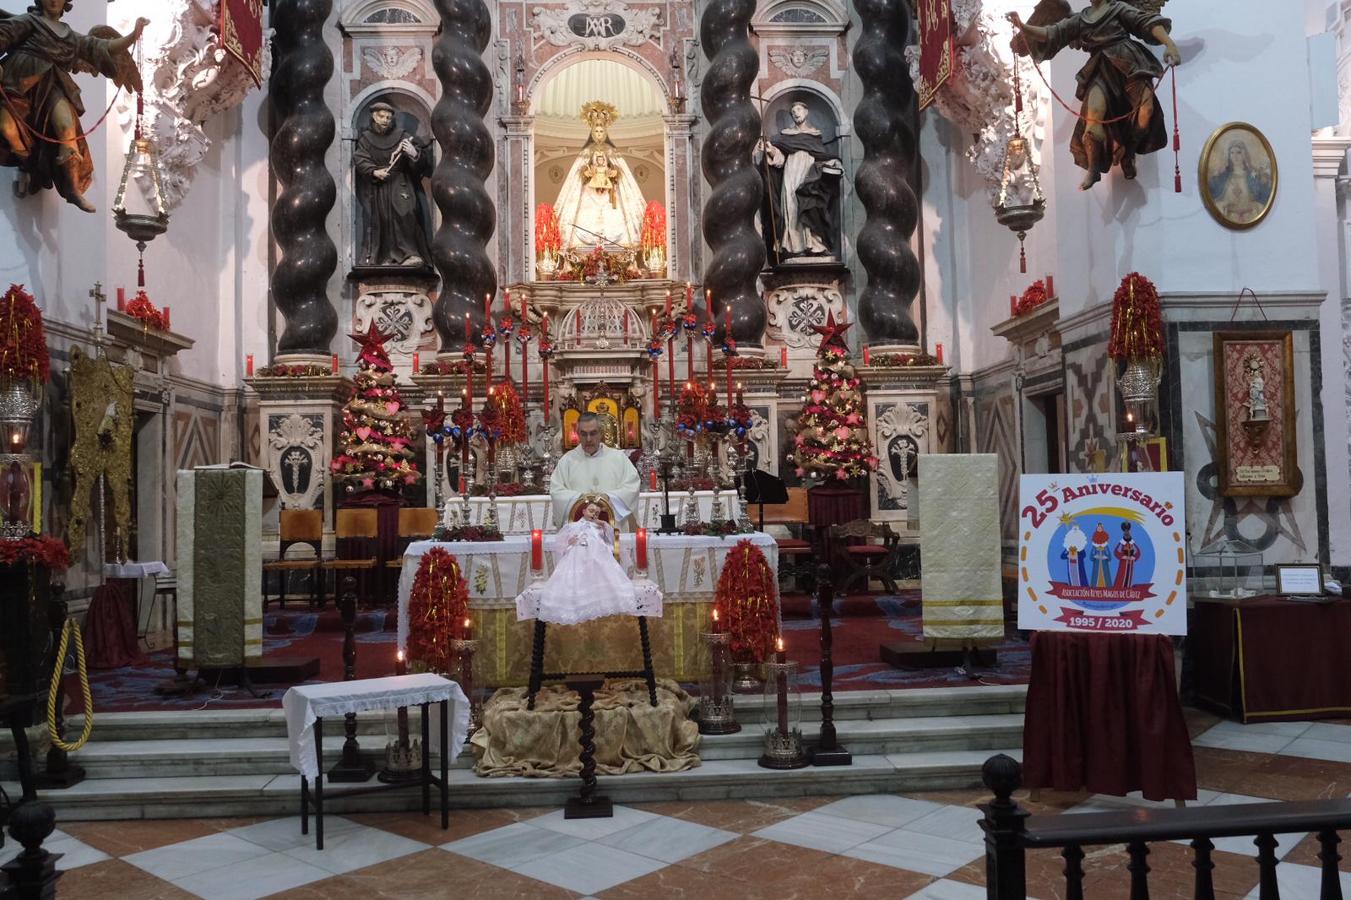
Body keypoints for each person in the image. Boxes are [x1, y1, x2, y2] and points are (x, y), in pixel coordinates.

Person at [1007, 1, 1182, 190]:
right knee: (1093, 117)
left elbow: (1146, 23)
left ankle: (1129, 151)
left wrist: (1170, 45)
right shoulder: (1080, 19)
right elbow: (1052, 33)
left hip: (1129, 62)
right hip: (1100, 69)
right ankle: (1093, 169)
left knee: (1146, 110)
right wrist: (1022, 26)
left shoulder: (1118, 8)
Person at [0, 3, 148, 212]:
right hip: (16, 83)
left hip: (53, 84)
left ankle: (72, 190)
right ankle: (25, 157)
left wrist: (133, 35)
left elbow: (101, 47)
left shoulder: (69, 36)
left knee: (67, 132)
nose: (53, 1)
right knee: (7, 128)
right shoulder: (28, 22)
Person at [514, 499, 660, 625]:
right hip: (576, 554)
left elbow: (614, 539)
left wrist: (604, 524)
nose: (593, 514)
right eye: (591, 511)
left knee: (599, 562)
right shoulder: (572, 526)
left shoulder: (600, 527)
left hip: (598, 555)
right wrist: (569, 543)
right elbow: (560, 544)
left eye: (596, 512)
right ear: (583, 511)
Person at [552, 101, 648, 251]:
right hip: (589, 192)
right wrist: (586, 173)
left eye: (601, 131)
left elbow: (621, 172)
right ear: (591, 132)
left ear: (606, 132)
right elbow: (578, 175)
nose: (599, 135)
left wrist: (614, 173)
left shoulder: (612, 152)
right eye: (596, 131)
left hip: (610, 194)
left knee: (615, 218)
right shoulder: (586, 152)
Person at [756, 101, 843, 260]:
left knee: (811, 204)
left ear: (806, 111)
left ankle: (815, 244)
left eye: (799, 109)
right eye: (793, 111)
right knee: (792, 207)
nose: (796, 113)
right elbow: (780, 161)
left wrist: (831, 163)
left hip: (809, 174)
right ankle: (795, 247)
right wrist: (771, 151)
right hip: (791, 174)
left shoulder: (814, 135)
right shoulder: (785, 137)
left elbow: (821, 156)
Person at [353, 101, 433, 267]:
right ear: (374, 117)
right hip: (380, 186)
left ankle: (410, 253)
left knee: (406, 213)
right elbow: (360, 158)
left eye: (389, 117)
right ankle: (386, 257)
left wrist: (413, 153)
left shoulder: (403, 136)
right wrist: (374, 171)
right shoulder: (366, 139)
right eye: (382, 116)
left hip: (401, 182)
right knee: (383, 219)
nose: (385, 120)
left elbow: (423, 163)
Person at [549, 411, 641, 530]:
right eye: (583, 434)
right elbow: (557, 491)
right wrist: (581, 499)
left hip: (612, 530)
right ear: (577, 434)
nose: (588, 439)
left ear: (601, 433)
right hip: (578, 532)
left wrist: (608, 497)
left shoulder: (618, 458)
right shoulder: (567, 461)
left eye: (593, 433)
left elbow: (632, 486)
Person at [1208, 140, 1272, 225]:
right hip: (1228, 219)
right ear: (1229, 155)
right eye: (1232, 153)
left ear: (1244, 154)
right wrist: (1222, 203)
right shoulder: (1222, 177)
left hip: (1251, 217)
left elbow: (1264, 197)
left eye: (1238, 152)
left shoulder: (1253, 176)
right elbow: (1211, 197)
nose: (1235, 156)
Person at [1113, 522, 1141, 588]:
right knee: (1122, 575)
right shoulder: (1121, 543)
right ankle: (1119, 588)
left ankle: (1127, 587)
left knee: (1129, 575)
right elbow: (1115, 551)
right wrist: (1123, 556)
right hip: (1124, 562)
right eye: (1125, 532)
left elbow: (1138, 551)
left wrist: (1134, 557)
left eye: (1128, 531)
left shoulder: (1132, 543)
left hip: (1130, 562)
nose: (1127, 533)